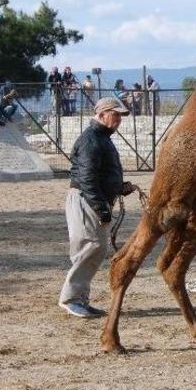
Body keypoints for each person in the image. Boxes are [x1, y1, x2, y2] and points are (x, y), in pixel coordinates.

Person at [59, 97, 136, 319]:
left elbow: (98, 174)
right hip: (86, 198)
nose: (119, 119)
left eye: (121, 115)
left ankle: (79, 298)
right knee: (90, 247)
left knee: (94, 247)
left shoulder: (100, 138)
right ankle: (71, 299)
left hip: (91, 198)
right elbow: (86, 177)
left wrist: (119, 187)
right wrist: (101, 207)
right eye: (116, 114)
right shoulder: (91, 139)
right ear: (102, 114)